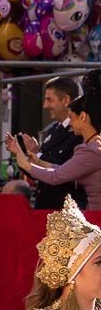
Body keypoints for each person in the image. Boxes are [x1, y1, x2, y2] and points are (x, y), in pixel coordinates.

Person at [10, 75, 101, 211]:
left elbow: (57, 176)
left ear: (83, 117)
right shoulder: (91, 146)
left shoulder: (91, 149)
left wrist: (25, 164)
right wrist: (38, 162)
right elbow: (64, 170)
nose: (69, 122)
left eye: (71, 117)